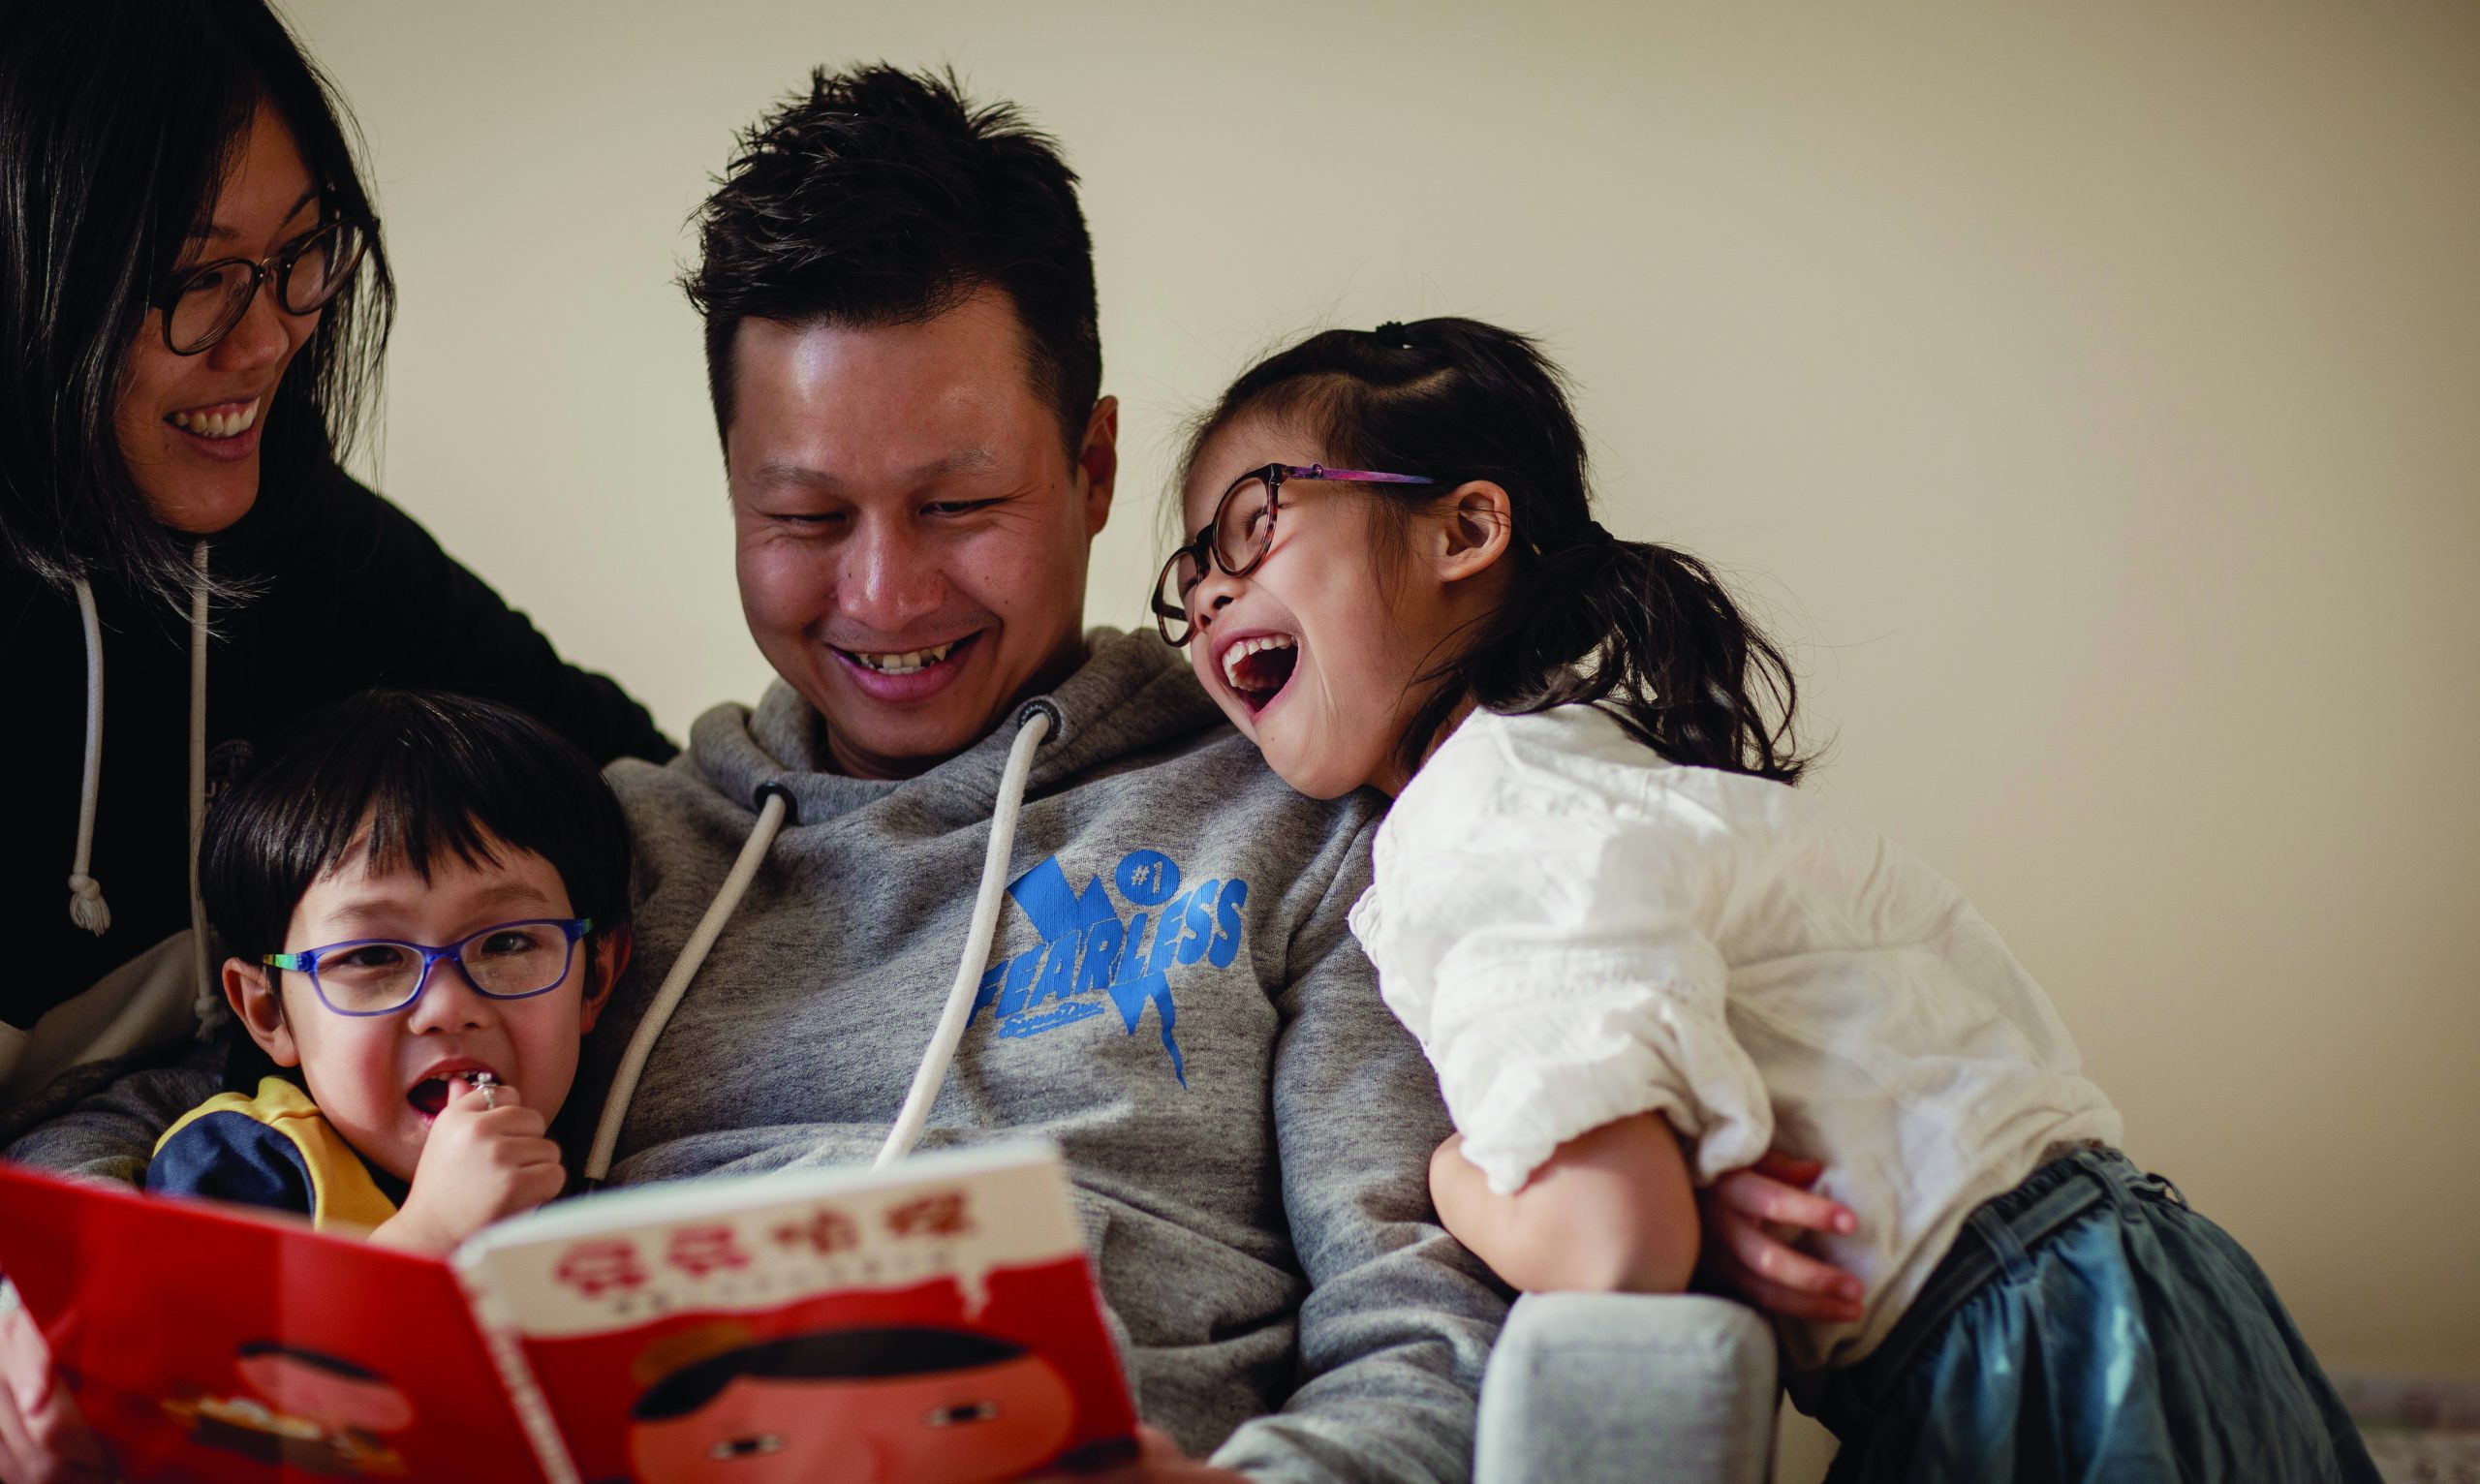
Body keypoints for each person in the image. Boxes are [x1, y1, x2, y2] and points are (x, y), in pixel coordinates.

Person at [6, 68, 1505, 1483]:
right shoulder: (613, 853)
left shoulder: (1298, 828)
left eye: (959, 504)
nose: (885, 595)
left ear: (1096, 470)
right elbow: (193, 1089)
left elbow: (1425, 1333)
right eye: (802, 517)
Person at [1158, 315, 2382, 1481]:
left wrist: (1446, 1176)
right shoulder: (1576, 771)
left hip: (2028, 1350)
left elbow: (1613, 1243)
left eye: (1252, 524)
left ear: (1465, 529)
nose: (1210, 593)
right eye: (1189, 572)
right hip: (2144, 1287)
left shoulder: (1481, 824)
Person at [0, 0, 672, 1124]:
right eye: (193, 278)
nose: (265, 341)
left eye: (299, 252)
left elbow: (627, 789)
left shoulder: (296, 532)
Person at [146, 689, 630, 1251]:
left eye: (508, 942)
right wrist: (432, 1231)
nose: (449, 1007)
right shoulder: (237, 1165)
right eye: (371, 957)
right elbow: (230, 1341)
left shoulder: (612, 1157)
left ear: (595, 980)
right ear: (269, 1011)